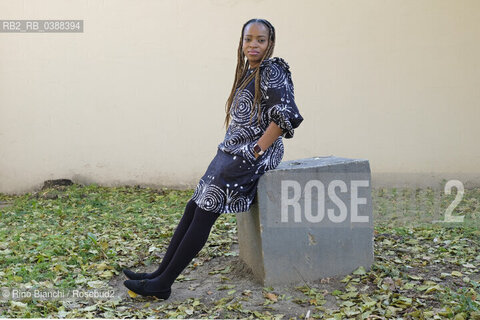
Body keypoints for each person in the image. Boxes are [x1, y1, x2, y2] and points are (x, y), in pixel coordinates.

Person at [123, 18, 304, 300]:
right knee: (193, 206)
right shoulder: (249, 70)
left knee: (206, 211)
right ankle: (159, 274)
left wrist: (256, 150)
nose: (253, 45)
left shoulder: (272, 70)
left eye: (260, 40)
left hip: (249, 156)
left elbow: (285, 116)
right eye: (248, 39)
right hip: (231, 152)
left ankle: (163, 284)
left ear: (271, 43)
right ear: (241, 42)